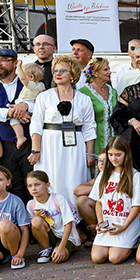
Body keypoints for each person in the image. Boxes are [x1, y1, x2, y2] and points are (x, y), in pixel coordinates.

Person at [28, 55, 96, 204]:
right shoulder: (44, 96)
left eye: (62, 71)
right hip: (49, 145)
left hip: (75, 144)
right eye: (55, 71)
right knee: (52, 178)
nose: (57, 74)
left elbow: (90, 127)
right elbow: (36, 125)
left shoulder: (84, 99)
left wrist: (89, 153)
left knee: (74, 178)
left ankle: (75, 219)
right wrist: (35, 150)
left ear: (72, 74)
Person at [0, 48, 33, 201]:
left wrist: (26, 106)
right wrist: (11, 113)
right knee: (11, 183)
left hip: (30, 142)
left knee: (32, 181)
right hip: (4, 144)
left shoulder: (28, 84)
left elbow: (41, 102)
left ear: (15, 63)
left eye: (3, 60)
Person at [89, 136, 140, 264]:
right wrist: (100, 223)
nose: (114, 158)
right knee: (97, 258)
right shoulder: (104, 175)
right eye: (110, 155)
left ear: (126, 154)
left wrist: (123, 227)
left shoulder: (135, 176)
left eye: (118, 155)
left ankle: (133, 243)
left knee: (114, 258)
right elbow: (99, 202)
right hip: (108, 224)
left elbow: (136, 206)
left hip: (126, 224)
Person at [26, 170, 80, 264]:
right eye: (30, 186)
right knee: (35, 221)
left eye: (37, 184)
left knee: (58, 258)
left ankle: (60, 248)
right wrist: (37, 217)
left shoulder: (58, 199)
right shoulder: (31, 204)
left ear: (47, 185)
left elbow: (69, 223)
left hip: (66, 237)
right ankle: (47, 249)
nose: (33, 188)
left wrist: (61, 247)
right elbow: (34, 227)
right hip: (50, 236)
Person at [79, 57, 118, 163]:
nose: (109, 72)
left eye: (109, 69)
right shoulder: (83, 93)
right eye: (105, 70)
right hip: (94, 142)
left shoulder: (113, 91)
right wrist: (89, 152)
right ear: (95, 73)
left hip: (113, 142)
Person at [11, 62, 45, 149]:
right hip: (27, 105)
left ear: (31, 77)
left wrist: (18, 66)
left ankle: (20, 136)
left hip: (27, 106)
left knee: (13, 120)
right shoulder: (41, 85)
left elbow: (22, 78)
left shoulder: (32, 85)